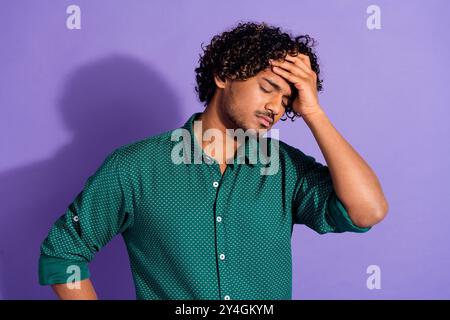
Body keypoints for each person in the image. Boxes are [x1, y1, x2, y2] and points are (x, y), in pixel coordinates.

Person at [38, 21, 388, 300]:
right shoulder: (135, 167)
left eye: (287, 101)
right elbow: (64, 254)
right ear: (224, 76)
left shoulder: (284, 168)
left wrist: (312, 111)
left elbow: (367, 211)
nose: (276, 108)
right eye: (268, 88)